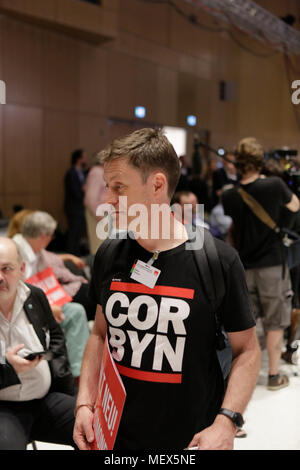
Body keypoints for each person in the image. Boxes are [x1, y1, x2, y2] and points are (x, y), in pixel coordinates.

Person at [73, 128, 261, 451]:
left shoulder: (217, 260)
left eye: (119, 188)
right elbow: (99, 335)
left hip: (189, 442)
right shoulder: (109, 253)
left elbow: (247, 351)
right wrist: (84, 403)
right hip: (116, 438)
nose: (107, 200)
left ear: (157, 185)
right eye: (107, 187)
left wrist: (226, 422)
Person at [222, 137, 300, 390]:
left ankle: (245, 376)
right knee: (276, 321)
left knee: (248, 322)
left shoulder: (229, 195)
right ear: (260, 161)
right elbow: (295, 205)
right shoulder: (274, 185)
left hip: (243, 266)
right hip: (271, 264)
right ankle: (274, 375)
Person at [0, 237, 77, 450]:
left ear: (22, 268)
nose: (0, 277)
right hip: (4, 409)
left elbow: (56, 338)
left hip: (45, 399)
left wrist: (65, 390)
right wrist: (8, 368)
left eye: (6, 268)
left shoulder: (34, 295)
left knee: (97, 427)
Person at [12, 211, 91, 380]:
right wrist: (47, 306)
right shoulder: (16, 251)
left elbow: (52, 260)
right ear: (43, 236)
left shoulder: (34, 249)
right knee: (76, 310)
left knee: (75, 308)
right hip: (23, 307)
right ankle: (77, 374)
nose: (51, 239)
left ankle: (78, 371)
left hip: (40, 301)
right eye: (51, 236)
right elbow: (15, 290)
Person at [64, 149, 88, 256]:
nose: (85, 159)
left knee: (78, 235)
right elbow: (74, 191)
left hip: (81, 208)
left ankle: (76, 256)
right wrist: (83, 190)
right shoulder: (71, 173)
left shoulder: (83, 172)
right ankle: (71, 257)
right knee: (73, 234)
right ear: (78, 159)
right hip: (73, 208)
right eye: (83, 157)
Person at [84, 160, 107, 255]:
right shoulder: (97, 172)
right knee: (99, 245)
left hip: (104, 212)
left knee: (105, 245)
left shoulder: (103, 172)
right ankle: (98, 269)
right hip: (98, 214)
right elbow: (91, 196)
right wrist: (97, 213)